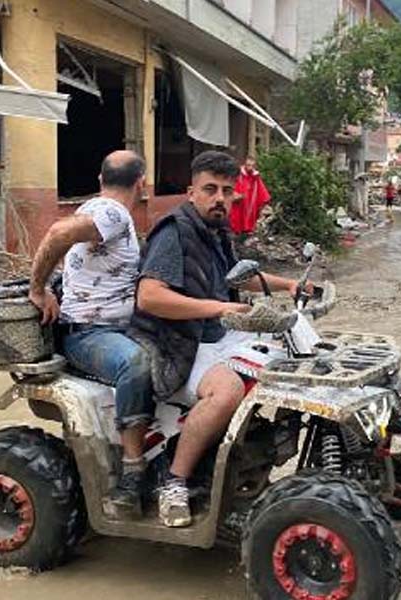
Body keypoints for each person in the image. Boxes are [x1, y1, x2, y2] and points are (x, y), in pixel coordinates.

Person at [131, 151, 307, 527]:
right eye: (210, 189)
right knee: (226, 391)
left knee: (292, 361)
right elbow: (149, 296)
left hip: (216, 336)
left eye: (227, 191)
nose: (220, 199)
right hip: (177, 343)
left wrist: (289, 285)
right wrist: (217, 308)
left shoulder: (216, 232)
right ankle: (174, 482)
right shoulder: (174, 231)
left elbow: (238, 276)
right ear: (191, 192)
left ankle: (248, 458)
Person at [28, 150, 152, 511]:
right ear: (142, 184)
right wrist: (38, 288)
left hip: (110, 330)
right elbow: (58, 232)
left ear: (100, 179)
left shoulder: (98, 209)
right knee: (136, 363)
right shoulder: (112, 212)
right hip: (89, 334)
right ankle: (133, 470)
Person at [228, 156, 271, 236]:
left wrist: (265, 201)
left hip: (251, 204)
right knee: (237, 220)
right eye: (248, 165)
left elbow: (261, 189)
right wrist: (233, 194)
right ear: (245, 164)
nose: (250, 167)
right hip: (239, 204)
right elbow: (230, 185)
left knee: (249, 221)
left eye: (252, 165)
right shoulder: (238, 174)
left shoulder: (255, 177)